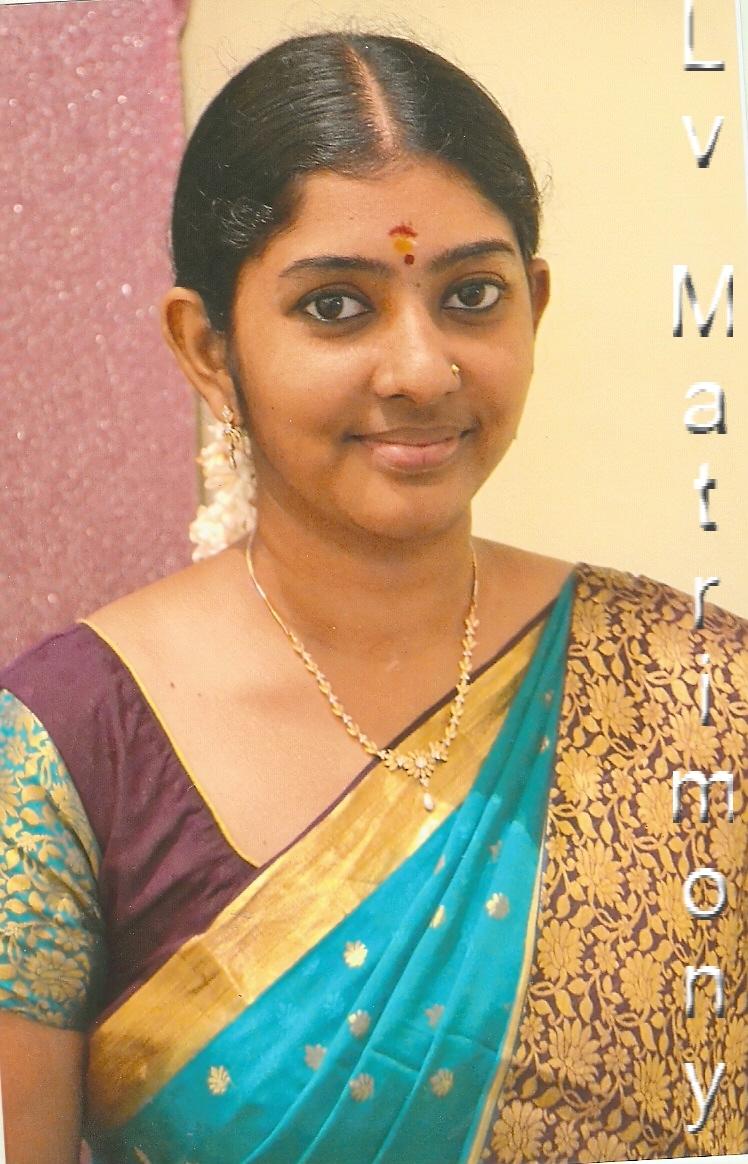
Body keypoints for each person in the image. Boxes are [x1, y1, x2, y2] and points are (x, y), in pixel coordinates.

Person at [0, 30, 745, 1164]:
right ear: (207, 348)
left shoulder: (698, 696)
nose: (422, 369)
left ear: (535, 306)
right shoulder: (60, 751)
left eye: (472, 296)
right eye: (337, 307)